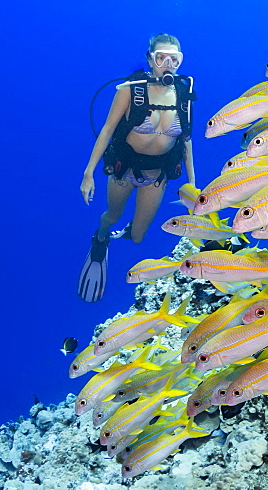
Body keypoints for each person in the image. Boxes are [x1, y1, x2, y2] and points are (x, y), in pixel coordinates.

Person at [77, 34, 196, 302]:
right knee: (113, 216)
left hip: (157, 176)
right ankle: (102, 236)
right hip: (125, 171)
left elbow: (187, 141)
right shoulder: (130, 90)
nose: (168, 64)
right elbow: (107, 130)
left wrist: (194, 187)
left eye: (174, 59)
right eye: (161, 57)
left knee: (139, 236)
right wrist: (89, 174)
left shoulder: (184, 95)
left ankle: (122, 234)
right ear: (150, 59)